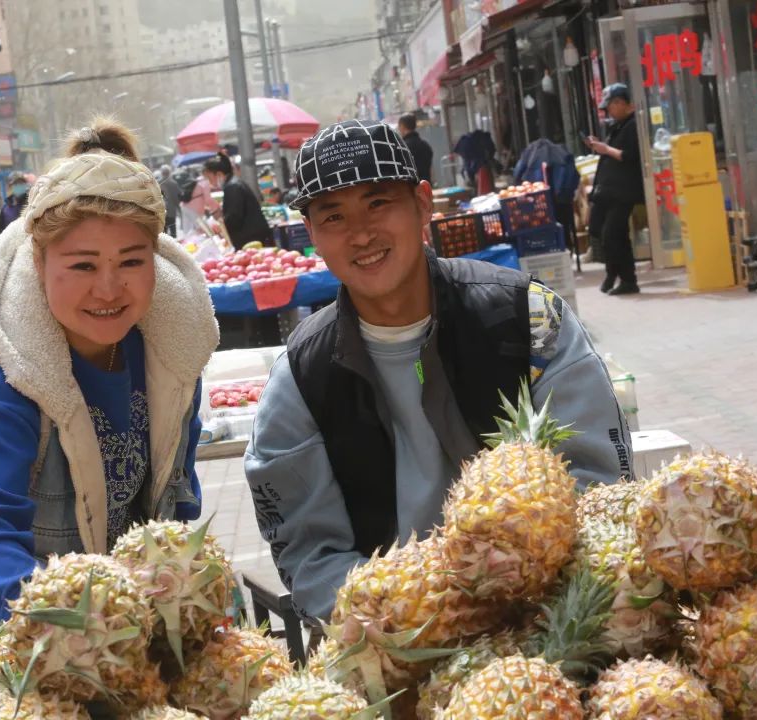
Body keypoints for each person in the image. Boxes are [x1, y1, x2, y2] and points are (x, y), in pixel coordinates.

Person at [244, 120, 633, 623]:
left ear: (423, 204)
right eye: (333, 216)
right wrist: (411, 613)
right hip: (396, 639)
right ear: (312, 234)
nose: (360, 233)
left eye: (378, 203)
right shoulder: (300, 377)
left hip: (547, 613)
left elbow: (598, 479)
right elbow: (309, 553)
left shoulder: (526, 318)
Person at [0, 118, 219, 623]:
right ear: (39, 260)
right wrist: (83, 630)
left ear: (156, 259)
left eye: (130, 262)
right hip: (15, 632)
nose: (108, 289)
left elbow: (175, 490)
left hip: (137, 621)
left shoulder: (171, 349)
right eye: (82, 266)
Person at [586, 83, 645, 296]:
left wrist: (606, 149)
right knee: (608, 233)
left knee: (612, 234)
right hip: (609, 190)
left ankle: (626, 279)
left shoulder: (633, 126)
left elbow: (629, 156)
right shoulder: (619, 125)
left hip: (624, 191)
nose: (608, 111)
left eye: (610, 106)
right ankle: (617, 276)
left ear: (620, 103)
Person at [203, 152, 272, 249]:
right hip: (253, 237)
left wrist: (221, 226)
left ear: (218, 174)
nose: (210, 183)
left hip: (251, 240)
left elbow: (234, 217)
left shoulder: (232, 187)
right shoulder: (234, 184)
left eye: (209, 178)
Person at [180, 166, 221, 231]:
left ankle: (189, 240)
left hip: (185, 206)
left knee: (188, 230)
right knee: (200, 229)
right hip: (193, 209)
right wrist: (217, 207)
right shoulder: (205, 182)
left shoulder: (199, 179)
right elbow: (208, 199)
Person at [398, 112, 434, 185]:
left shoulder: (402, 147)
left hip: (410, 190)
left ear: (402, 126)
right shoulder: (425, 145)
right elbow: (430, 170)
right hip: (426, 188)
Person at [158, 165, 181, 237]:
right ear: (169, 172)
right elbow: (176, 198)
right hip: (171, 210)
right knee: (173, 231)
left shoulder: (157, 183)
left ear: (161, 173)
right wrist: (178, 208)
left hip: (161, 211)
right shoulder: (173, 183)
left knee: (164, 233)